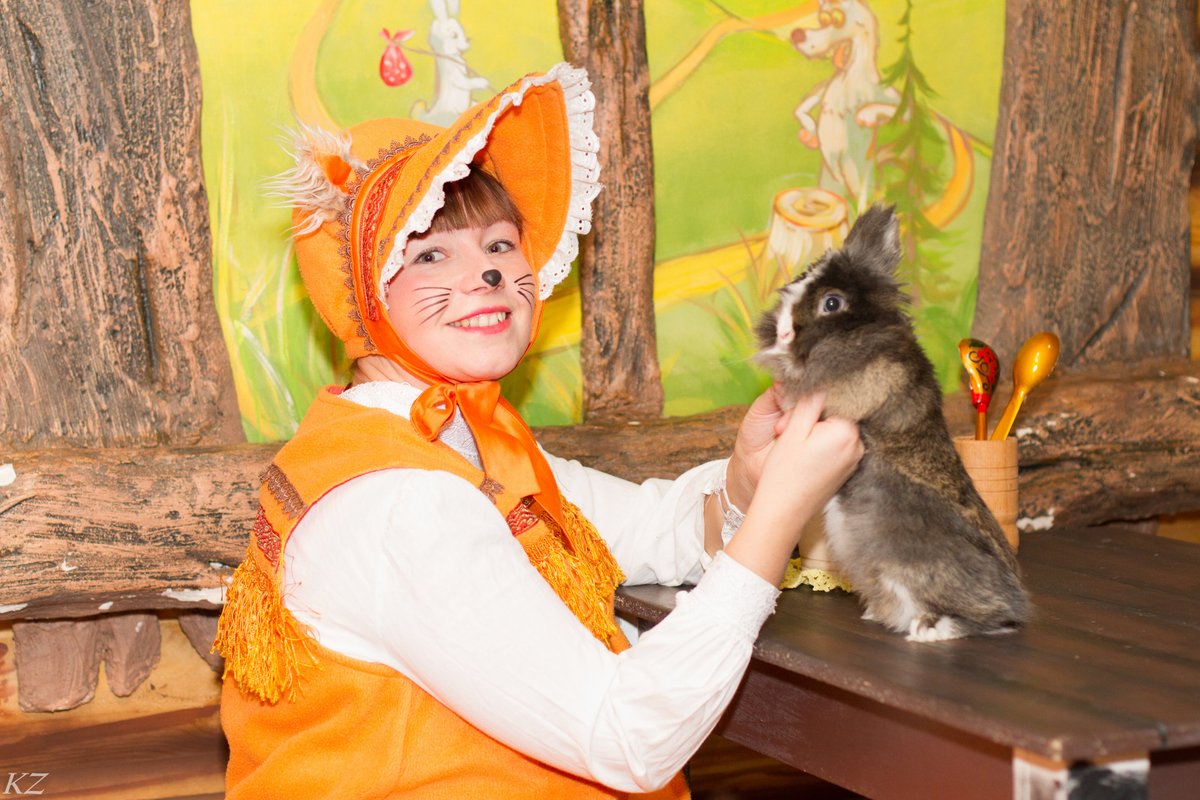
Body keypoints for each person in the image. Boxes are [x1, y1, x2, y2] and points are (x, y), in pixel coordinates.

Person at [214, 63, 862, 799]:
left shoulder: (456, 435)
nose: (488, 275)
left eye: (499, 245)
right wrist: (778, 515)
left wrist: (746, 482)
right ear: (364, 298)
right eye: (430, 254)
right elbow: (628, 737)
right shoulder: (399, 501)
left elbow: (644, 527)